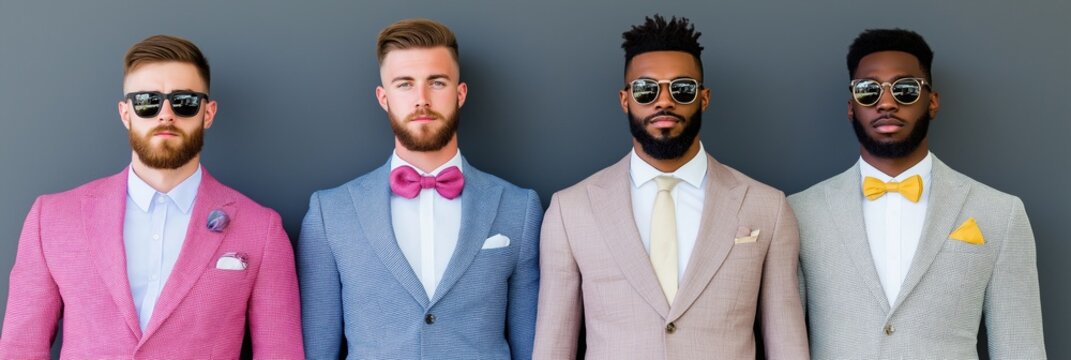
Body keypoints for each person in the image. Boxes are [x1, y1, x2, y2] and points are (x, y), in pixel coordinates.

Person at [0, 34, 303, 359]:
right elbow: (21, 349)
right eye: (148, 101)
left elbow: (280, 352)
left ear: (208, 113)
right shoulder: (53, 218)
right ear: (126, 113)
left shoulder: (262, 230)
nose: (165, 115)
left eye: (184, 101)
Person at [533, 15, 808, 359]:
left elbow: (787, 345)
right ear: (624, 99)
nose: (664, 101)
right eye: (646, 89)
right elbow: (553, 346)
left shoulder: (767, 207)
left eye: (682, 88)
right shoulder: (570, 210)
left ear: (704, 98)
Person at [789, 28, 1046, 359]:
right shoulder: (799, 212)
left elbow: (1020, 347)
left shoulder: (1000, 213)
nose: (886, 103)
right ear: (852, 106)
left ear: (932, 102)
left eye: (905, 89)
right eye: (869, 91)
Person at [298, 18, 541, 359]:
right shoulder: (330, 213)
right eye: (405, 84)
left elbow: (532, 348)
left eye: (437, 82)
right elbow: (317, 348)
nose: (422, 99)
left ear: (460, 94)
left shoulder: (520, 208)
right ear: (384, 98)